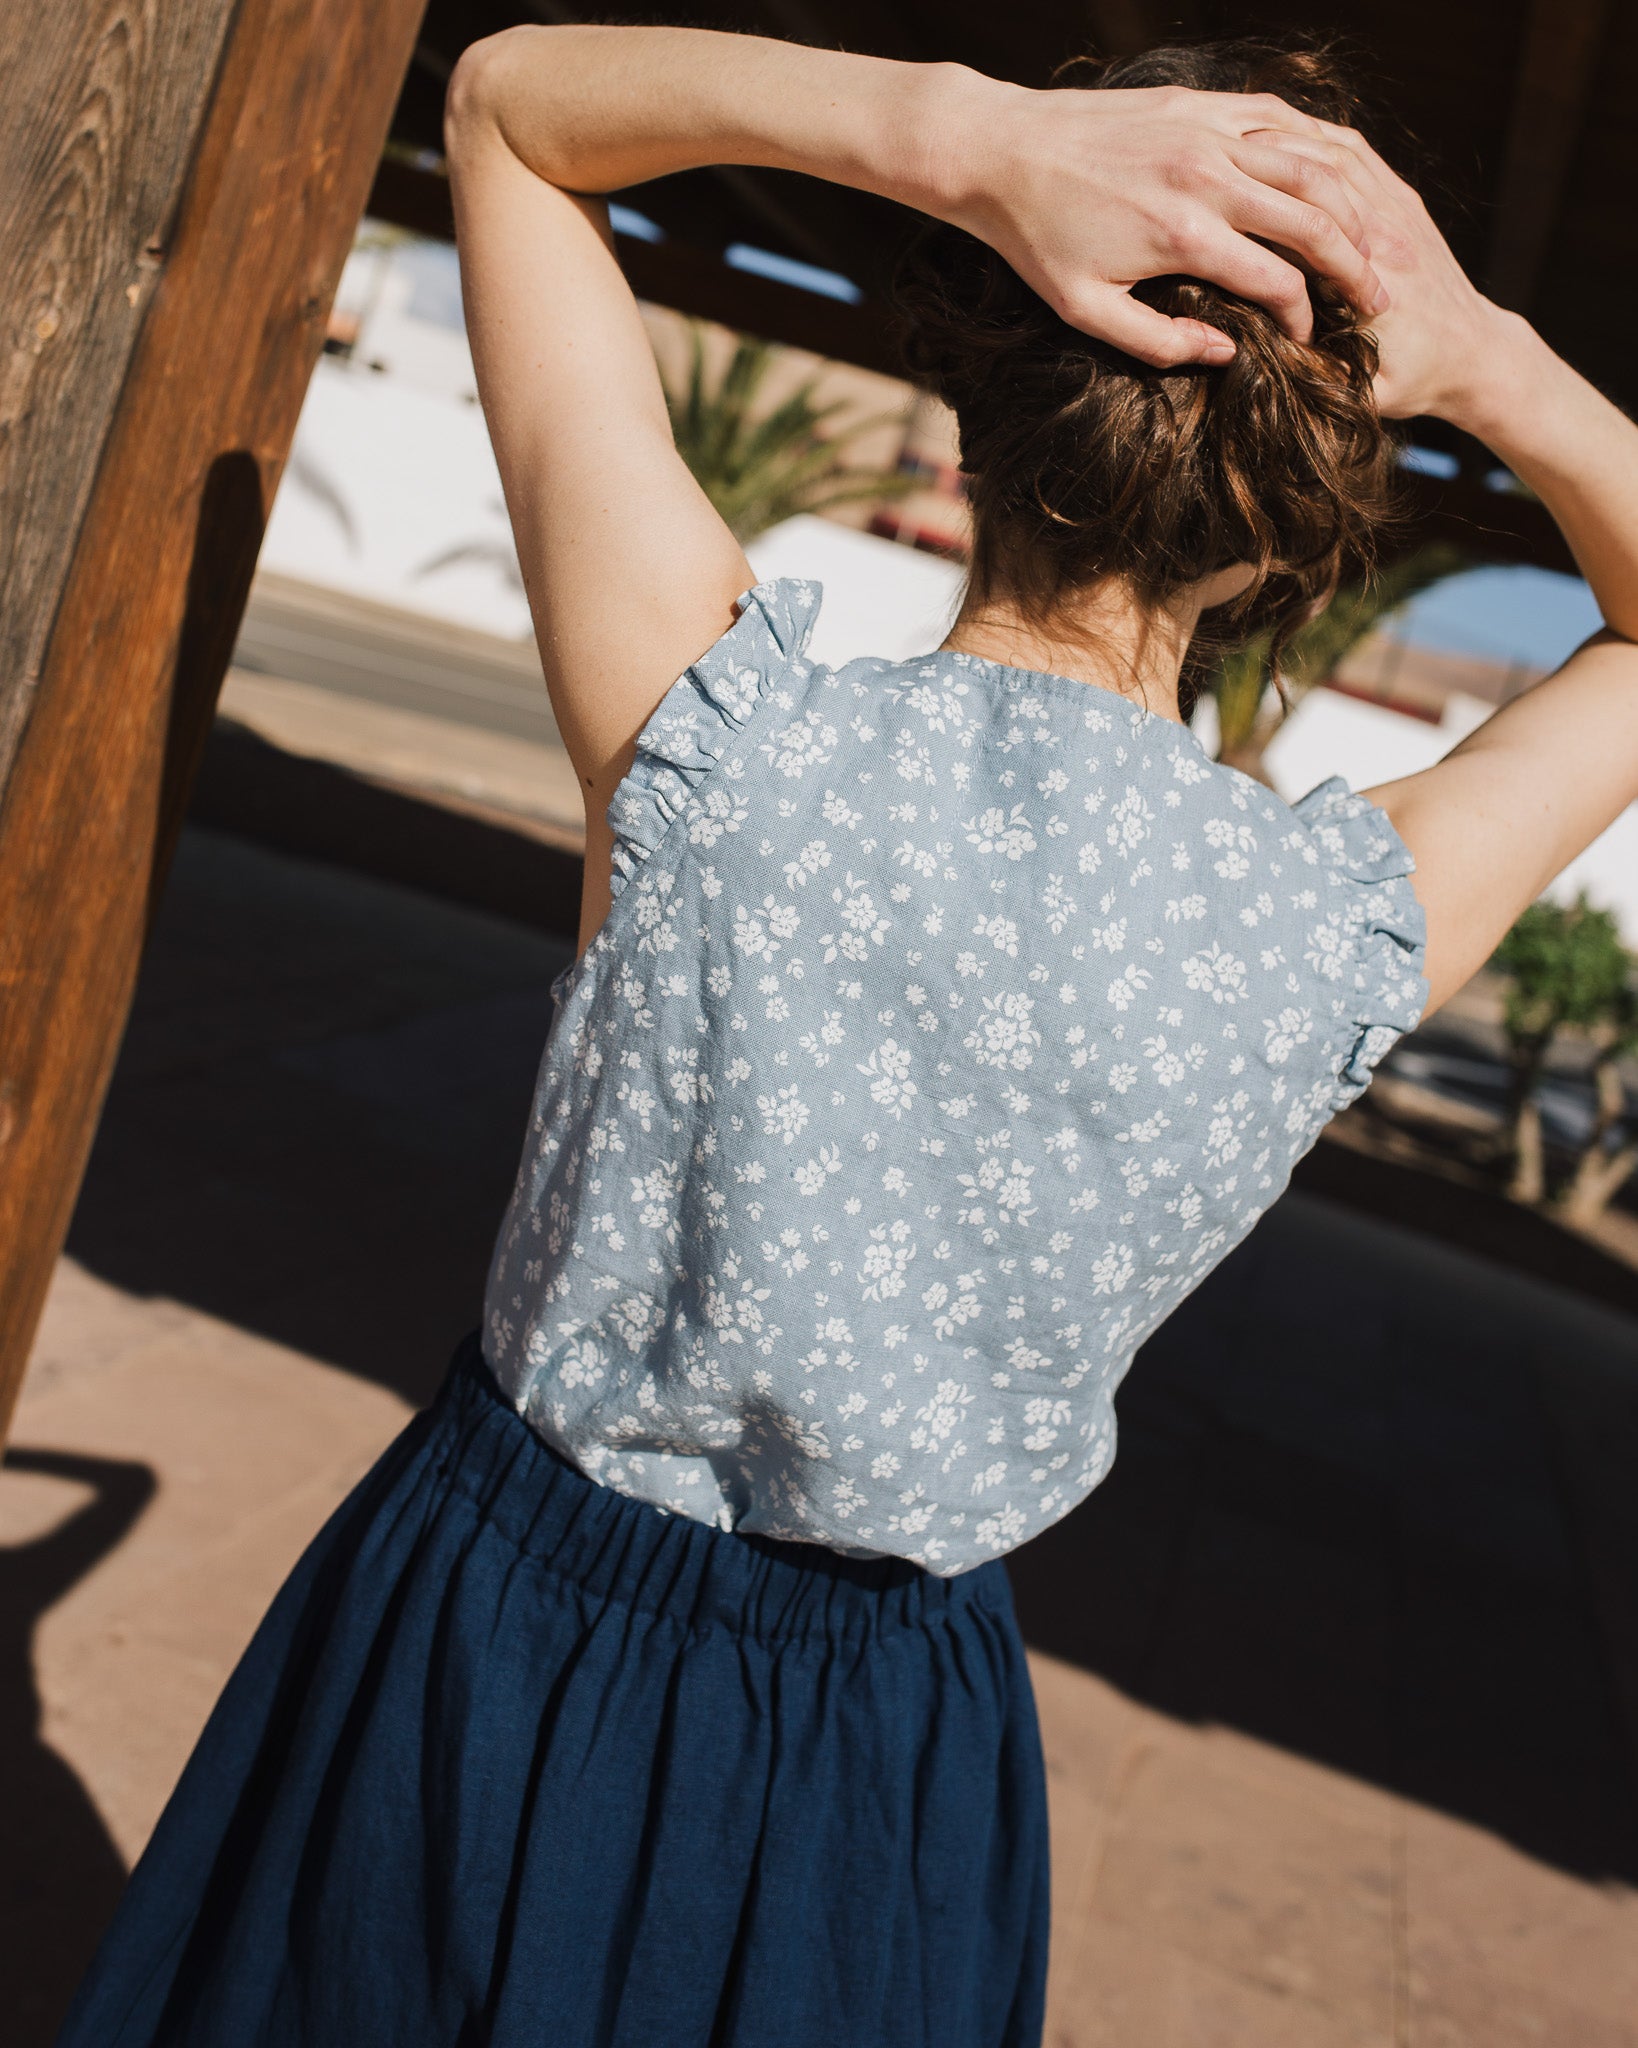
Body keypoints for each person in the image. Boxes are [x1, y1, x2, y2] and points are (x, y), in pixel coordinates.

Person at [56, 27, 1638, 2048]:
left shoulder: (722, 729)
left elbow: (511, 111)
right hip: (884, 1759)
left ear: (972, 422)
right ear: (1269, 544)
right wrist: (1486, 351)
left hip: (485, 1635)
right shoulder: (1326, 933)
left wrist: (974, 141)